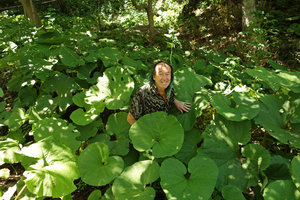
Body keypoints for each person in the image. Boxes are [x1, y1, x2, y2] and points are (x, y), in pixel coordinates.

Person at [127, 61, 191, 125]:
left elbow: (169, 96)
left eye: (167, 74)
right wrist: (144, 133)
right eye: (160, 74)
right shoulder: (142, 93)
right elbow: (130, 118)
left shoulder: (170, 88)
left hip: (163, 125)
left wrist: (176, 101)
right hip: (148, 127)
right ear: (154, 76)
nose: (164, 78)